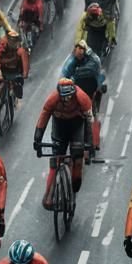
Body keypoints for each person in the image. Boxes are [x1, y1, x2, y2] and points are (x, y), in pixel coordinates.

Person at [33, 78, 94, 208]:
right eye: (64, 98)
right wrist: (37, 139)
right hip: (59, 125)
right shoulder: (53, 98)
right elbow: (44, 117)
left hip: (76, 124)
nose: (67, 101)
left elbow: (89, 120)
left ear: (74, 92)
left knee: (77, 157)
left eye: (70, 97)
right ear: (59, 94)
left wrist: (89, 143)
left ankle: (75, 184)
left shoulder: (82, 97)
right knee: (55, 159)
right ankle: (49, 194)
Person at [61, 40, 106, 149]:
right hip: (79, 89)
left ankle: (93, 142)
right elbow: (66, 72)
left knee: (92, 113)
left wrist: (77, 71)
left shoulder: (93, 60)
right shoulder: (74, 60)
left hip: (91, 90)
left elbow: (96, 73)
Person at [0, 29, 29, 100]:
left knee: (19, 91)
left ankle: (12, 89)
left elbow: (25, 61)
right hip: (4, 68)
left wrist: (25, 73)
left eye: (15, 41)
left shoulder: (20, 50)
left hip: (15, 70)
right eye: (12, 41)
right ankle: (1, 92)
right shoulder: (2, 46)